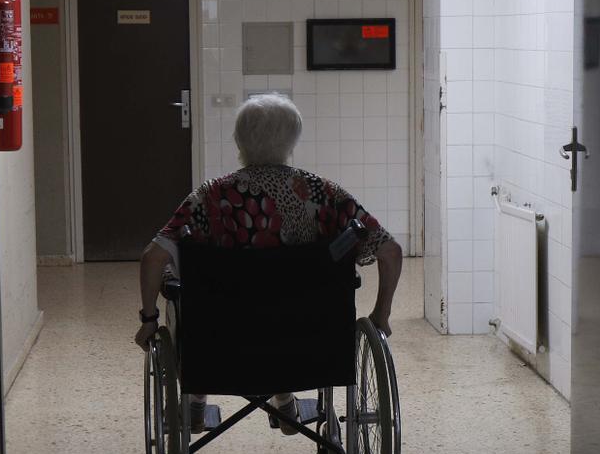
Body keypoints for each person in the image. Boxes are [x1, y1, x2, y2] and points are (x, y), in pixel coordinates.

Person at [132, 93, 403, 433]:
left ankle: (196, 403)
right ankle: (285, 400)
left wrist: (148, 318)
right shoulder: (326, 195)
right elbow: (390, 251)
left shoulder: (211, 196)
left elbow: (152, 257)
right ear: (292, 140)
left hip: (221, 344)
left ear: (239, 140)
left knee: (183, 293)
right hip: (311, 344)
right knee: (286, 304)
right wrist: (381, 315)